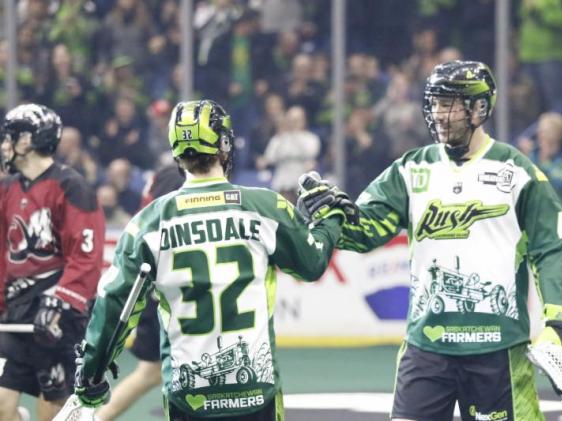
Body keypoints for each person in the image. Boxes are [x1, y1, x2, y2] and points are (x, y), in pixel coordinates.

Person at [299, 61, 562, 421]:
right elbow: (365, 228)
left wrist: (558, 324)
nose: (438, 114)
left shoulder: (517, 171)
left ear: (479, 108)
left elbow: (552, 245)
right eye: (434, 104)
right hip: (426, 348)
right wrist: (331, 216)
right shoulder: (410, 169)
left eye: (449, 104)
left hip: (498, 351)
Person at [73, 99, 351, 420]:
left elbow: (114, 303)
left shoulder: (149, 222)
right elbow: (312, 262)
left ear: (177, 153)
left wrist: (91, 371)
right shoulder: (264, 207)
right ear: (224, 145)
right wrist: (330, 219)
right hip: (254, 393)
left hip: (188, 396)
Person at [0, 104, 105, 421]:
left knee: (54, 413)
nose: (4, 144)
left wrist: (61, 302)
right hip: (15, 315)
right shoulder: (6, 189)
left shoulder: (71, 186)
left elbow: (86, 256)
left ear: (28, 141)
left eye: (10, 137)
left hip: (58, 320)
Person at [95, 164, 185, 421]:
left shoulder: (165, 173)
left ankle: (95, 419)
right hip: (170, 289)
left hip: (157, 284)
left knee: (152, 371)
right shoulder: (179, 178)